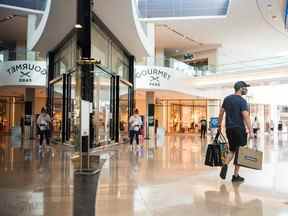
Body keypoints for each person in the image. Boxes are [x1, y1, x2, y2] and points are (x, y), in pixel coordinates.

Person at [218, 81, 253, 183]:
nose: (246, 90)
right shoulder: (242, 101)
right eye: (245, 88)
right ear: (240, 88)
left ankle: (225, 164)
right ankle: (235, 175)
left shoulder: (227, 99)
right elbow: (246, 116)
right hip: (239, 129)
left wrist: (219, 126)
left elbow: (221, 114)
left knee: (232, 150)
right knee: (240, 152)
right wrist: (251, 131)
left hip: (229, 129)